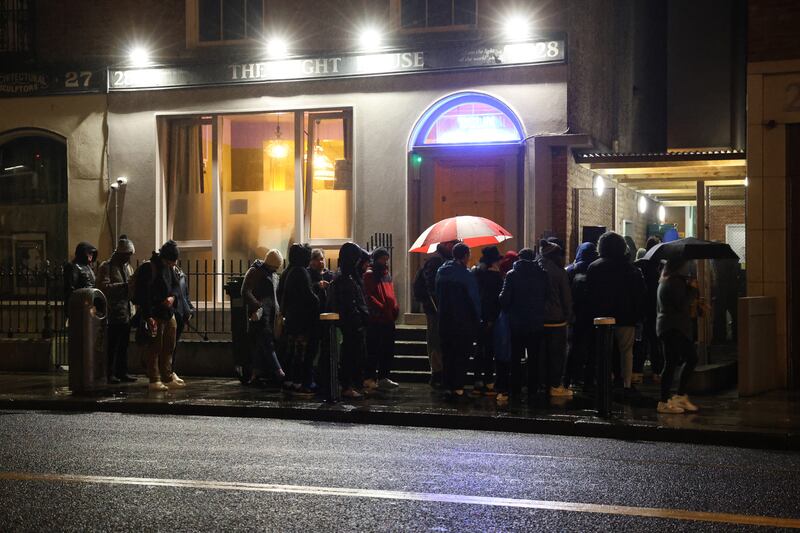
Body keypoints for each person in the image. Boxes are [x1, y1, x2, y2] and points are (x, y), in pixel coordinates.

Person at [586, 231, 646, 399]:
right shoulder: (631, 269)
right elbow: (639, 294)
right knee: (626, 351)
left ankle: (605, 380)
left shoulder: (595, 267)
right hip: (626, 316)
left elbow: (590, 293)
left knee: (604, 350)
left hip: (602, 317)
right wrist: (638, 315)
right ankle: (626, 383)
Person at [498, 248, 549, 403]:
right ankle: (533, 389)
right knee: (534, 358)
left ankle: (516, 388)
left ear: (519, 258)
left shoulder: (512, 275)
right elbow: (546, 296)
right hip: (536, 323)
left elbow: (504, 299)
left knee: (515, 358)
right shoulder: (543, 274)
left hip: (517, 323)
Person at [134, 240, 185, 391]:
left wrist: (172, 297)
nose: (174, 264)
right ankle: (154, 378)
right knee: (155, 347)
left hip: (168, 313)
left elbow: (176, 286)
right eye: (172, 260)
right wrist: (148, 316)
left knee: (169, 345)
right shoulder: (149, 268)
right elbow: (143, 294)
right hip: (155, 313)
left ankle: (167, 376)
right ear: (165, 258)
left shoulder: (169, 268)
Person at [435, 243, 480, 399]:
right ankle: (458, 387)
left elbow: (437, 293)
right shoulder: (466, 275)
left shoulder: (441, 272)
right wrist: (477, 318)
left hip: (444, 320)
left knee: (447, 354)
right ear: (465, 255)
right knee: (461, 355)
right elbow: (474, 300)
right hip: (462, 321)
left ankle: (447, 386)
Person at [656, 258, 701, 414]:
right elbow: (681, 304)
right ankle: (674, 397)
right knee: (691, 358)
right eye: (685, 263)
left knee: (671, 362)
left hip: (668, 326)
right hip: (674, 327)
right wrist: (693, 290)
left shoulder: (667, 279)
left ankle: (668, 399)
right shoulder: (674, 281)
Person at [277, 244, 320, 396]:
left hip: (292, 319)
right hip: (302, 320)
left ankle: (290, 381)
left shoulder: (290, 272)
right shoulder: (301, 272)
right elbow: (309, 296)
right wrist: (318, 296)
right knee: (302, 353)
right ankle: (300, 383)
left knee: (292, 352)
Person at [414, 240, 456, 389]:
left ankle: (441, 370)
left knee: (439, 338)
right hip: (435, 308)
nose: (455, 244)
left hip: (442, 307)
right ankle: (437, 372)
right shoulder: (436, 260)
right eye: (453, 243)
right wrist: (437, 302)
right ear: (445, 244)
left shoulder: (446, 260)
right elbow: (431, 284)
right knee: (435, 339)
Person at [331, 242, 370, 399]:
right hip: (351, 324)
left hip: (355, 323)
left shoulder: (349, 277)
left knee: (355, 355)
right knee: (349, 355)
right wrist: (358, 317)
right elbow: (349, 303)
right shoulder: (344, 279)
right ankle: (347, 386)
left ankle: (352, 384)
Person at [241, 249, 285, 386]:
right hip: (260, 313)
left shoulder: (270, 273)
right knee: (267, 342)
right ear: (271, 264)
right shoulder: (255, 271)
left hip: (270, 313)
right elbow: (245, 291)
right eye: (275, 266)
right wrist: (257, 306)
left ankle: (254, 374)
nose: (276, 269)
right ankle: (279, 372)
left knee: (262, 344)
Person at [97, 235, 137, 384]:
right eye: (127, 255)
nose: (129, 258)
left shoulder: (128, 267)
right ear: (120, 254)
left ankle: (122, 372)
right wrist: (124, 286)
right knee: (111, 346)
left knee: (123, 346)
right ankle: (109, 373)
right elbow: (103, 288)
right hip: (112, 313)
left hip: (126, 312)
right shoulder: (106, 267)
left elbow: (131, 287)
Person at [537, 240, 573, 398]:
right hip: (557, 320)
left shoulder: (535, 268)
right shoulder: (559, 272)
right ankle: (555, 385)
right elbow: (566, 297)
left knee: (541, 355)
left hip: (539, 319)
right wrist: (569, 315)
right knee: (557, 355)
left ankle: (542, 384)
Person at [363, 247, 400, 390]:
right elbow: (370, 296)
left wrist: (395, 307)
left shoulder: (386, 275)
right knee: (374, 349)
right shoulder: (370, 275)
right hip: (377, 319)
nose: (385, 262)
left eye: (386, 259)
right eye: (382, 259)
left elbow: (391, 292)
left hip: (388, 318)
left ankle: (384, 376)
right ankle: (370, 377)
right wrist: (382, 309)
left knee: (387, 349)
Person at [564, 242, 598, 389]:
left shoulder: (570, 270)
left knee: (574, 346)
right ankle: (589, 378)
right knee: (592, 348)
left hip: (575, 314)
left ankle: (571, 377)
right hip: (592, 313)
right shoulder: (596, 268)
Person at [471, 246, 504, 396]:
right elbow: (495, 300)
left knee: (479, 348)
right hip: (490, 318)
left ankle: (477, 380)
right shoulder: (495, 277)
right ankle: (489, 380)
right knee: (489, 350)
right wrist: (491, 318)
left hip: (477, 317)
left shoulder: (476, 273)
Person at [634, 236, 663, 383]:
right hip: (654, 308)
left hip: (640, 308)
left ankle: (637, 371)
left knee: (641, 341)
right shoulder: (658, 267)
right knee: (654, 341)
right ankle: (656, 371)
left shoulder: (638, 265)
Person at [172, 262, 195, 371]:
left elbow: (185, 296)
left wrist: (190, 309)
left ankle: (170, 371)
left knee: (174, 345)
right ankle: (168, 371)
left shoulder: (181, 275)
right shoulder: (168, 274)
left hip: (181, 314)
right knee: (169, 346)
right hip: (173, 313)